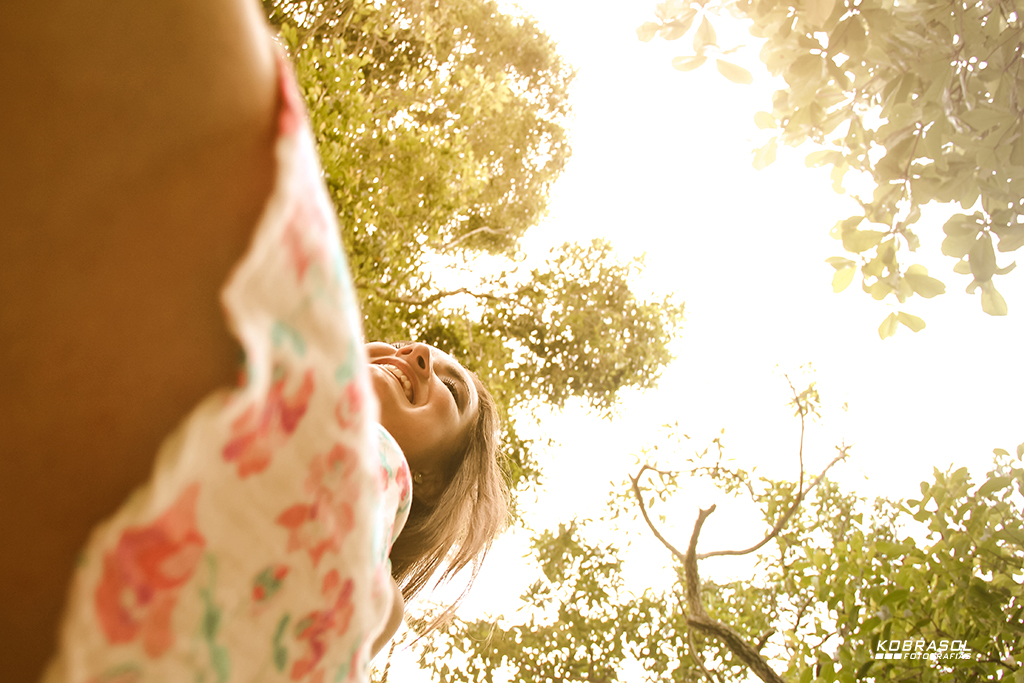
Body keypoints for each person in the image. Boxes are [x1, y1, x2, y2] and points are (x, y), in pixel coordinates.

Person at [0, 0, 506, 680]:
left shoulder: (376, 476)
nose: (417, 354)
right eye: (419, 350)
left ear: (431, 483)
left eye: (450, 389)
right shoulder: (257, 364)